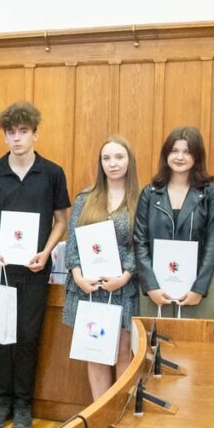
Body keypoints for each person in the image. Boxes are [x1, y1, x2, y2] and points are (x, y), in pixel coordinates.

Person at [0, 102, 70, 428]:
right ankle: (1, 402)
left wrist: (46, 251)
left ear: (35, 134)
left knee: (28, 337)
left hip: (34, 270)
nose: (17, 139)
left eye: (23, 133)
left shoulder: (52, 173)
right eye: (11, 133)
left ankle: (23, 404)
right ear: (5, 137)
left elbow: (61, 221)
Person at [61, 135, 140, 400]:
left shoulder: (141, 200)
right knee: (94, 349)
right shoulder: (85, 198)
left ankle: (120, 413)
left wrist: (125, 275)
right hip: (89, 288)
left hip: (123, 288)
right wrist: (77, 274)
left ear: (129, 161)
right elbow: (72, 239)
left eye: (119, 157)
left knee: (122, 351)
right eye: (106, 158)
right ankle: (99, 414)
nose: (113, 164)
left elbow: (141, 244)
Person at [134, 126, 214, 319]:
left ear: (197, 157)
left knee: (194, 346)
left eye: (187, 152)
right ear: (166, 155)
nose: (180, 157)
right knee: (155, 346)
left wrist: (199, 289)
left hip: (198, 286)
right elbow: (140, 242)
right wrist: (150, 286)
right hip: (156, 287)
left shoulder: (211, 193)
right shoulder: (150, 193)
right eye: (174, 151)